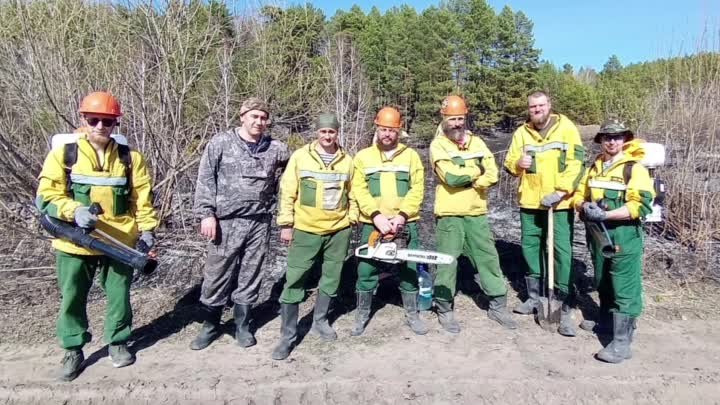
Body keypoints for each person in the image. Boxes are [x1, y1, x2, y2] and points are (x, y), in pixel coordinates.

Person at [35, 91, 159, 381]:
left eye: (107, 121)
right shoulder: (64, 154)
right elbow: (45, 196)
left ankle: (117, 342)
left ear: (116, 123)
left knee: (119, 296)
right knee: (73, 297)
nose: (101, 126)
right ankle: (73, 349)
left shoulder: (131, 159)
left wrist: (148, 230)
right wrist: (73, 210)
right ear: (83, 120)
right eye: (94, 120)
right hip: (73, 242)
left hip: (120, 244)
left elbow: (142, 199)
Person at [191, 98, 290, 351]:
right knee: (216, 274)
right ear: (242, 117)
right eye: (254, 116)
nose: (259, 121)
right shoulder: (221, 142)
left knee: (251, 273)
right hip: (225, 222)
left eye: (263, 117)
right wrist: (206, 214)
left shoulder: (276, 148)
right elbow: (205, 177)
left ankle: (242, 325)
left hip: (259, 221)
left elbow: (294, 173)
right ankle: (210, 325)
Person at [429, 95, 517, 333]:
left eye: (460, 118)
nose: (457, 123)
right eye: (452, 118)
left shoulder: (477, 142)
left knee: (488, 257)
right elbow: (450, 177)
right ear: (444, 118)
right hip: (450, 214)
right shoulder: (438, 146)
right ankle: (444, 308)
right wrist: (476, 171)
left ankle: (498, 305)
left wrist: (470, 175)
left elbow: (493, 174)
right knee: (447, 261)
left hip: (476, 212)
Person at [271, 113, 355, 360]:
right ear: (316, 133)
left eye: (331, 132)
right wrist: (286, 224)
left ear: (337, 133)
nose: (327, 136)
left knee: (331, 278)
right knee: (295, 280)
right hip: (306, 229)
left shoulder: (347, 160)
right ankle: (287, 336)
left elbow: (354, 193)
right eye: (323, 132)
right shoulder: (300, 157)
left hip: (338, 230)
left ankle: (320, 321)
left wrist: (351, 218)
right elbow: (287, 192)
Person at [503, 91, 585, 337]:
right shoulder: (522, 133)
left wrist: (561, 191)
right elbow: (509, 163)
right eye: (532, 106)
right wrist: (518, 164)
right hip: (530, 200)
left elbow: (577, 163)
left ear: (549, 105)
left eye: (541, 105)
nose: (537, 109)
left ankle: (563, 300)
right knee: (530, 247)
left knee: (561, 250)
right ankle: (535, 296)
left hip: (558, 203)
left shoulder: (566, 128)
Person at [573, 119, 654, 363]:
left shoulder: (633, 168)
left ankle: (622, 343)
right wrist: (583, 205)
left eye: (617, 137)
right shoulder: (596, 165)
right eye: (607, 137)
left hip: (624, 234)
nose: (612, 141)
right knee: (603, 279)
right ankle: (607, 322)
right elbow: (580, 193)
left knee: (623, 286)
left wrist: (606, 214)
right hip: (598, 234)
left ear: (624, 140)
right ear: (600, 141)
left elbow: (641, 205)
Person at [350, 106, 426, 336]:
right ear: (377, 127)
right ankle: (362, 313)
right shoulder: (363, 157)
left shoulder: (411, 156)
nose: (387, 134)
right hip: (373, 223)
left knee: (409, 268)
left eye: (392, 130)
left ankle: (412, 313)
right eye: (384, 129)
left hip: (406, 222)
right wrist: (376, 216)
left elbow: (417, 188)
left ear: (399, 131)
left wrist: (402, 216)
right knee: (366, 269)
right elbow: (359, 190)